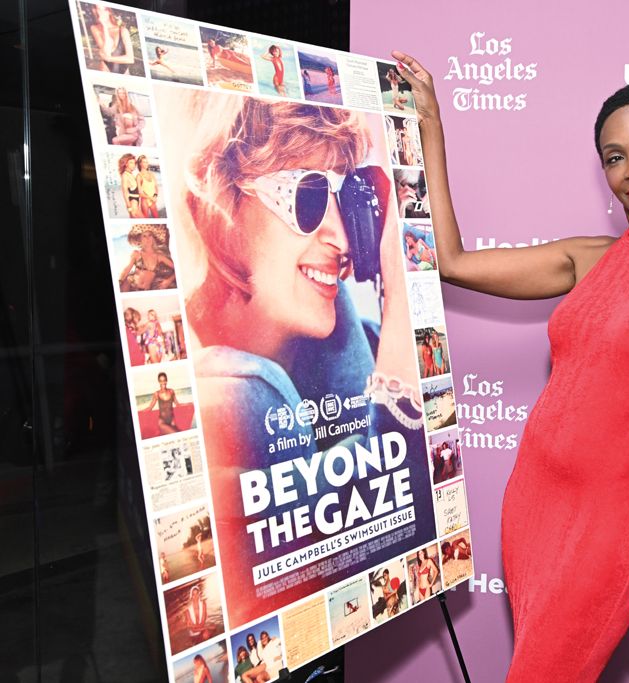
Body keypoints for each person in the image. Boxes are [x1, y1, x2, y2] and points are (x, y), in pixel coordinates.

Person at [390, 51, 629, 681]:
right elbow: (452, 261)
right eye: (614, 157)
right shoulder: (586, 257)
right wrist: (431, 124)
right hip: (534, 496)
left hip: (617, 513)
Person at [160, 89, 430, 626]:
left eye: (344, 197)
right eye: (306, 194)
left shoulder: (372, 343)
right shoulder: (221, 400)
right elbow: (361, 540)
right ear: (216, 209)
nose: (342, 239)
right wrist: (404, 304)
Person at [119, 223, 175, 292]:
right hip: (130, 284)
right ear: (140, 239)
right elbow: (127, 269)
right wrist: (120, 281)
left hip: (146, 290)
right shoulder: (137, 254)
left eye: (150, 235)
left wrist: (168, 281)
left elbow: (176, 268)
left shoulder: (159, 256)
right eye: (144, 236)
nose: (147, 238)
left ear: (153, 238)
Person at [84, 5, 136, 74]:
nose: (102, 12)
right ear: (96, 11)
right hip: (106, 68)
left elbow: (130, 59)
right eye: (99, 9)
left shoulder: (123, 31)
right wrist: (104, 27)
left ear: (109, 11)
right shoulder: (95, 28)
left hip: (124, 70)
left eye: (104, 9)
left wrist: (108, 59)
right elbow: (107, 52)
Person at [118, 153, 141, 218]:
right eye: (131, 163)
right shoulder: (125, 175)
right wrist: (129, 208)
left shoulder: (130, 174)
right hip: (133, 203)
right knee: (144, 220)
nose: (134, 165)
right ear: (126, 164)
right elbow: (125, 192)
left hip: (136, 201)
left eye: (134, 163)